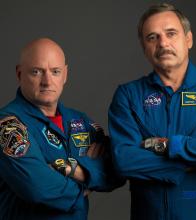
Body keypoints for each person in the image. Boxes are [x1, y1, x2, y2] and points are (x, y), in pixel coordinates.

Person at [109, 3, 196, 220]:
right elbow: (125, 160)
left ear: (188, 39)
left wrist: (169, 146)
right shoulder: (128, 95)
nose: (163, 43)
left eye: (171, 33)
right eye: (152, 37)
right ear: (144, 46)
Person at [0, 38, 123, 220]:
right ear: (19, 74)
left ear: (65, 75)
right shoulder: (8, 126)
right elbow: (38, 188)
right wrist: (86, 185)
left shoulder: (80, 121)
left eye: (55, 72)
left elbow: (119, 170)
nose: (47, 82)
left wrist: (76, 171)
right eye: (36, 72)